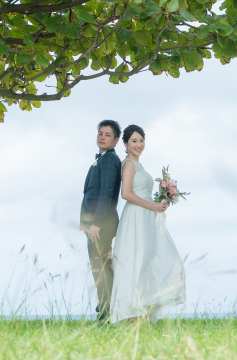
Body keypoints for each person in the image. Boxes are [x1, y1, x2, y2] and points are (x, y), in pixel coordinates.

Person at [110, 124, 186, 324]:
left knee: (149, 261)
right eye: (134, 141)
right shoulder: (128, 164)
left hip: (145, 217)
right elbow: (126, 193)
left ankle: (143, 310)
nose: (139, 144)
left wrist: (160, 203)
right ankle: (131, 313)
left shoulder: (140, 165)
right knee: (136, 260)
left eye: (141, 140)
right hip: (135, 216)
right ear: (125, 143)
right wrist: (152, 206)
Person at [80, 119, 123, 322]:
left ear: (115, 141)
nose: (102, 137)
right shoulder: (102, 158)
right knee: (101, 267)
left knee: (101, 268)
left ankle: (106, 313)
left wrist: (96, 223)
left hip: (102, 224)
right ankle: (107, 309)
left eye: (107, 135)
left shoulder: (109, 160)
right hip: (96, 224)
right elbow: (90, 193)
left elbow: (106, 194)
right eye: (100, 133)